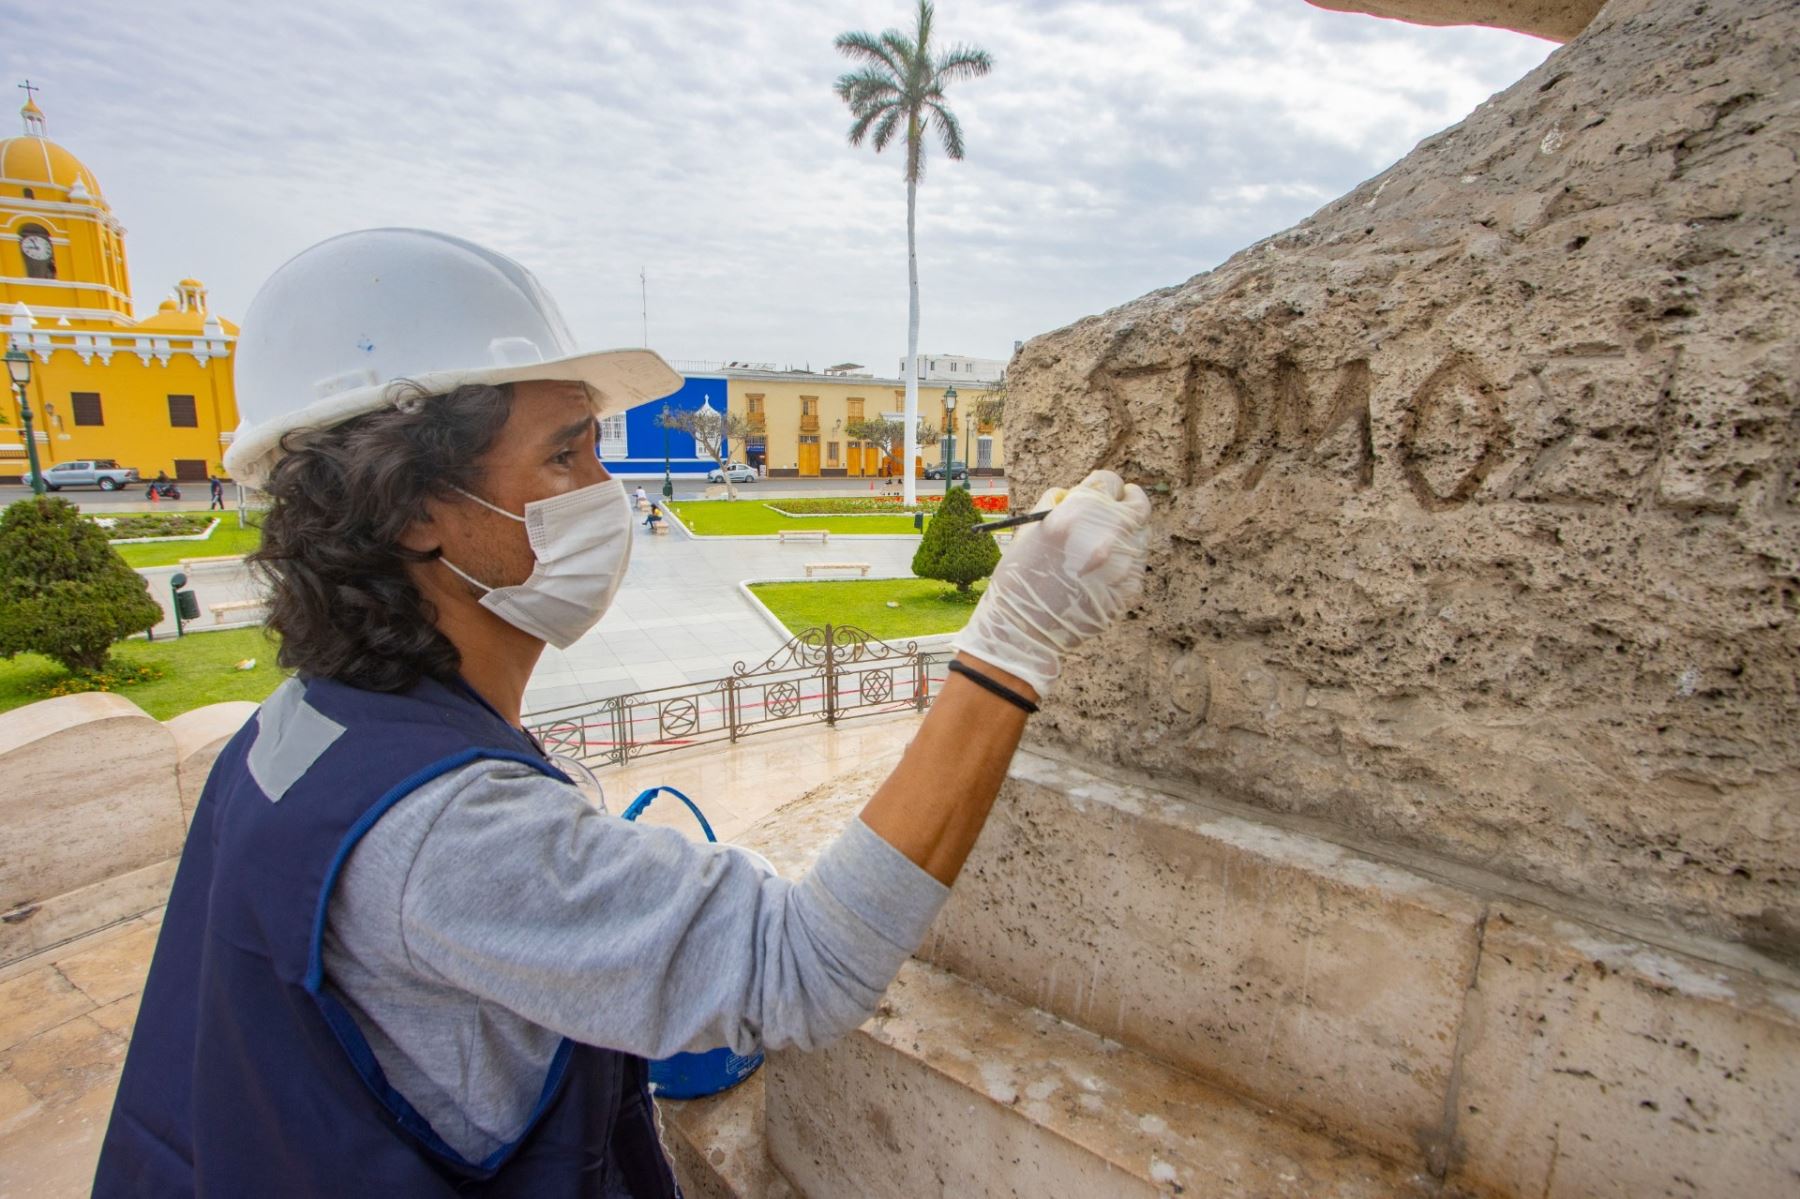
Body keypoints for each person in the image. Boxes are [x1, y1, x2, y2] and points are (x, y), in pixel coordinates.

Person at [93, 228, 1149, 1197]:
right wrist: (1011, 645)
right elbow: (802, 966)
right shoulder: (449, 831)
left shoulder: (300, 724)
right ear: (412, 507)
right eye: (565, 454)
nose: (610, 490)